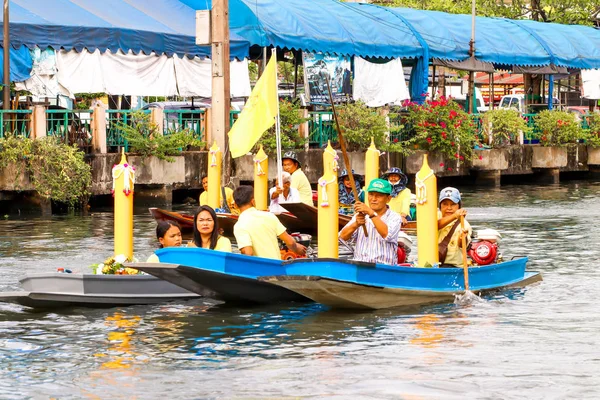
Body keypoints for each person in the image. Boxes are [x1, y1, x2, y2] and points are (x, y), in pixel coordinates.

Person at [339, 178, 402, 266]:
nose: (373, 199)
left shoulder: (395, 217)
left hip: (383, 268)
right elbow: (341, 238)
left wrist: (371, 214)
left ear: (388, 198)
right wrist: (356, 224)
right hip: (360, 266)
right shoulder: (360, 215)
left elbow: (387, 235)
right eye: (371, 194)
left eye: (378, 195)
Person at [233, 185, 306, 259]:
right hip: (277, 267)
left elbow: (248, 253)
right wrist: (296, 248)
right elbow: (290, 242)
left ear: (235, 205)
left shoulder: (239, 225)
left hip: (258, 269)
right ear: (253, 202)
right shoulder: (269, 216)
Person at [437, 187, 472, 267]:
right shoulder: (435, 216)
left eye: (453, 204)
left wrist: (462, 237)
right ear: (440, 206)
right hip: (433, 265)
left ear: (458, 206)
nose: (449, 208)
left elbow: (462, 245)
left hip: (454, 266)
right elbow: (434, 226)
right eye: (445, 204)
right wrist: (454, 215)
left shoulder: (464, 224)